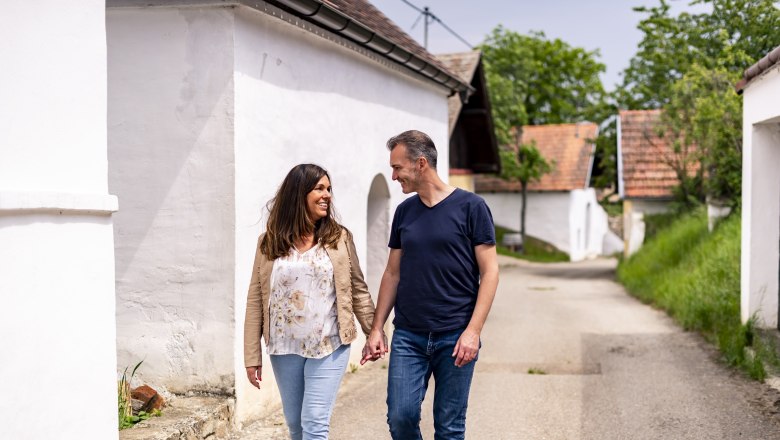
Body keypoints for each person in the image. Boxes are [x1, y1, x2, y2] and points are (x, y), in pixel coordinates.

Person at [362, 130, 499, 440]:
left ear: (420, 163)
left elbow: (490, 272)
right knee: (401, 418)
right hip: (409, 335)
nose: (394, 176)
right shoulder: (404, 212)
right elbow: (392, 273)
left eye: (397, 167)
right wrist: (376, 328)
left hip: (456, 334)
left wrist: (473, 332)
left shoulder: (471, 207)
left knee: (450, 428)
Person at [244, 163, 382, 440]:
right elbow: (255, 300)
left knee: (315, 422)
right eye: (319, 188)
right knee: (295, 424)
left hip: (329, 343)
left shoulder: (338, 238)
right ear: (298, 194)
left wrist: (374, 331)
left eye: (329, 189)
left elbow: (357, 288)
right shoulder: (268, 243)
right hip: (284, 346)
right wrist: (251, 356)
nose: (327, 195)